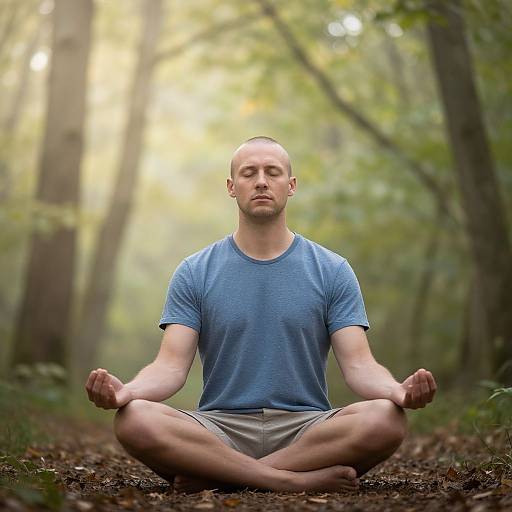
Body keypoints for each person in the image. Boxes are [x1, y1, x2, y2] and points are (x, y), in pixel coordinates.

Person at [85, 136, 437, 494]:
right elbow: (170, 367)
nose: (262, 181)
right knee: (134, 419)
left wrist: (397, 391)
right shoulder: (194, 271)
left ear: (291, 185)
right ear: (231, 187)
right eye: (249, 173)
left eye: (273, 172)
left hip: (308, 432)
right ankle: (286, 481)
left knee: (386, 418)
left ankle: (221, 477)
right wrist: (126, 392)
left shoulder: (332, 269)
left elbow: (360, 366)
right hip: (218, 430)